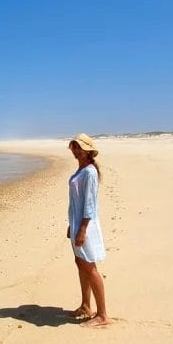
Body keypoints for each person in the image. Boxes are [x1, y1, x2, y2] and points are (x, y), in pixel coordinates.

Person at [66, 133, 110, 327]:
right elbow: (77, 202)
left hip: (86, 225)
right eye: (74, 147)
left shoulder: (90, 172)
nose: (75, 151)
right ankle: (85, 306)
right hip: (77, 223)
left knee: (89, 267)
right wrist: (72, 225)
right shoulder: (81, 169)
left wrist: (82, 229)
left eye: (79, 148)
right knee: (80, 262)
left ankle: (102, 315)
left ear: (87, 151)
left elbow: (90, 204)